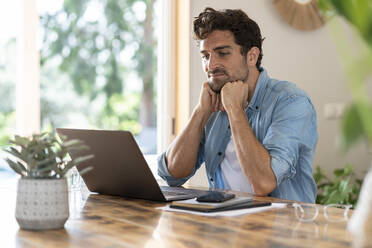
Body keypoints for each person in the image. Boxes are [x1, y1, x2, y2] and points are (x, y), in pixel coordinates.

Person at [157, 7, 318, 203]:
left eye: (222, 53)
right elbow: (172, 175)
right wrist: (200, 113)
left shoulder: (290, 101)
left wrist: (235, 110)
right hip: (223, 224)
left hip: (282, 228)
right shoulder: (213, 104)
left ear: (252, 56)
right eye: (205, 56)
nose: (210, 65)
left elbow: (264, 183)